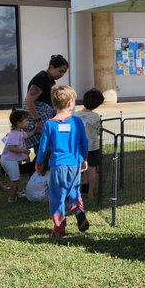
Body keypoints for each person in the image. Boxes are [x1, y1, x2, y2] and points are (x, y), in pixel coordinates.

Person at [35, 84, 89, 239]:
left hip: (58, 165)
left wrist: (39, 163)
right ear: (70, 102)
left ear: (54, 103)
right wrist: (84, 159)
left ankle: (59, 228)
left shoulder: (49, 124)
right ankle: (78, 210)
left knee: (57, 196)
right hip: (74, 164)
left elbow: (43, 148)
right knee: (74, 190)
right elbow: (84, 143)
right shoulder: (77, 122)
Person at [25, 55, 69, 151]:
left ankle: (40, 164)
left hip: (44, 119)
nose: (62, 75)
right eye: (60, 71)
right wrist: (38, 120)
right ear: (51, 67)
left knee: (44, 149)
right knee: (45, 149)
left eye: (64, 72)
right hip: (37, 120)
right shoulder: (41, 78)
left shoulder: (50, 80)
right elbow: (29, 101)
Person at [75, 89, 104, 197]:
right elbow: (99, 131)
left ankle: (84, 187)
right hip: (92, 146)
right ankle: (91, 192)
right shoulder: (95, 116)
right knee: (91, 169)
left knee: (83, 167)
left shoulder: (76, 115)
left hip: (79, 146)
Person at [0, 109, 31, 202]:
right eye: (26, 120)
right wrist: (24, 151)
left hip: (10, 161)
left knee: (15, 179)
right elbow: (11, 148)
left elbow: (27, 135)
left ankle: (14, 195)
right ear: (18, 123)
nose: (28, 122)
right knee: (15, 180)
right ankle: (12, 198)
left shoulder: (19, 132)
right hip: (9, 161)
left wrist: (35, 131)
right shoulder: (14, 134)